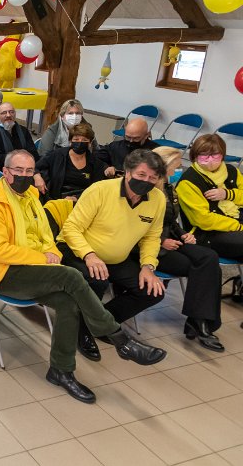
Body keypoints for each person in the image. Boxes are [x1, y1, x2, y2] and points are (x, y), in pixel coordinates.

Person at [0, 149, 166, 403]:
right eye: (18, 170)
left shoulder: (31, 196)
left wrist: (52, 252)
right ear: (5, 172)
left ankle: (60, 371)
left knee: (69, 302)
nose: (24, 175)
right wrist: (44, 258)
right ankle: (120, 340)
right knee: (72, 277)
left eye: (29, 171)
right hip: (3, 273)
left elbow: (46, 235)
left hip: (34, 268)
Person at [58, 149, 168, 362]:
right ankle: (85, 331)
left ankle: (96, 324)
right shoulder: (100, 190)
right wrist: (89, 255)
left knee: (152, 292)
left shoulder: (158, 199)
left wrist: (148, 267)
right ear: (127, 172)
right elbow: (71, 228)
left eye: (153, 178)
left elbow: (152, 237)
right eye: (141, 175)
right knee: (97, 280)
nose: (146, 181)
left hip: (116, 259)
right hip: (78, 250)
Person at [152, 146, 224, 352]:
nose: (179, 170)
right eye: (176, 166)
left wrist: (183, 233)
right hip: (154, 247)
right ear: (165, 166)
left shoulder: (169, 188)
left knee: (210, 258)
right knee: (204, 268)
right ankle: (200, 323)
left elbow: (171, 222)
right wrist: (161, 241)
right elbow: (138, 226)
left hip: (173, 240)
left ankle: (198, 320)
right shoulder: (148, 190)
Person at [176, 133, 243, 263]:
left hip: (236, 218)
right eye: (204, 156)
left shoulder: (231, 170)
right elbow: (203, 219)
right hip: (208, 233)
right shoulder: (188, 181)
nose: (210, 160)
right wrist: (239, 226)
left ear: (222, 155)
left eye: (215, 155)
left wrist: (228, 194)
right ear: (195, 156)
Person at [35, 122, 108, 201]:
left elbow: (96, 189)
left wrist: (76, 198)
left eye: (84, 140)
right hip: (56, 199)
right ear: (70, 141)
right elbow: (35, 167)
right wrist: (37, 177)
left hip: (83, 201)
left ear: (90, 143)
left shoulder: (96, 163)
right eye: (76, 139)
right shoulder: (57, 155)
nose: (80, 142)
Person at [0, 102, 39, 169]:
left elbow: (34, 154)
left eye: (11, 112)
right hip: (1, 170)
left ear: (15, 114)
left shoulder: (23, 130)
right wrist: (22, 157)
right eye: (4, 113)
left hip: (25, 168)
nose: (8, 115)